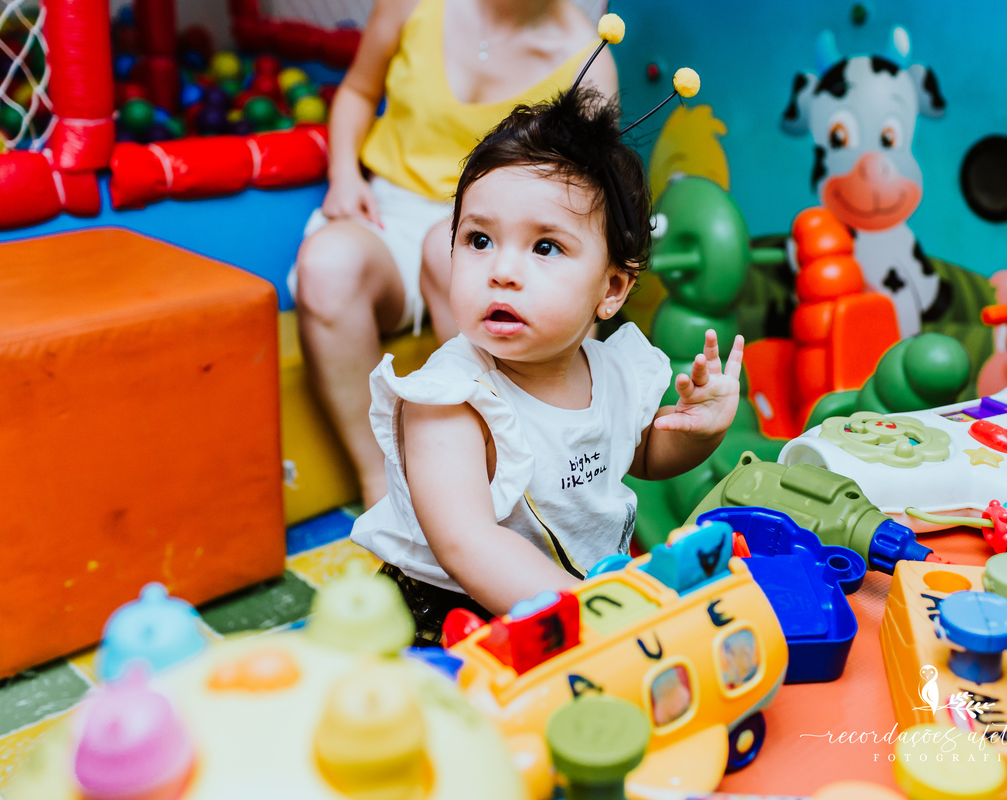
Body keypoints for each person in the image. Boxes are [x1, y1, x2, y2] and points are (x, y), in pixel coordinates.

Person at [350, 87, 746, 644]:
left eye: (544, 247)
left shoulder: (613, 373)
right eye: (479, 239)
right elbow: (466, 541)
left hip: (585, 597)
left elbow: (637, 457)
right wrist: (593, 609)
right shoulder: (450, 398)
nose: (502, 270)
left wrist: (699, 432)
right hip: (456, 620)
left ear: (611, 288)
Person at [293, 0, 618, 510]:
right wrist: (344, 174)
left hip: (497, 230)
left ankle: (494, 475)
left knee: (446, 249)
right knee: (324, 264)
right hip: (388, 210)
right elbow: (357, 90)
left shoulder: (586, 58)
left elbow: (587, 205)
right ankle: (381, 487)